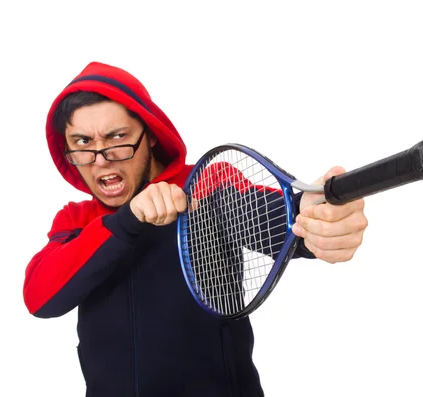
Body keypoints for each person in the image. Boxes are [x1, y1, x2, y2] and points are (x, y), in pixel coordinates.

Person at [23, 61, 368, 397]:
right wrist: (127, 219)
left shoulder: (205, 184)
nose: (100, 158)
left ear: (150, 136)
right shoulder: (75, 220)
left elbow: (265, 217)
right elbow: (41, 297)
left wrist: (311, 217)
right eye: (83, 143)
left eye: (117, 137)